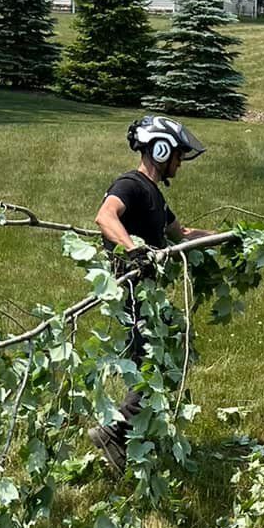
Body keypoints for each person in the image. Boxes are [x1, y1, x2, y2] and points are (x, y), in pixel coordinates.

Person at [91, 114, 207, 473]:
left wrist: (232, 239)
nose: (179, 164)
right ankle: (115, 432)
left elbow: (181, 233)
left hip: (150, 294)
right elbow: (105, 217)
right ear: (161, 150)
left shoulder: (154, 195)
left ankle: (129, 432)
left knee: (166, 355)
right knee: (153, 365)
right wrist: (132, 250)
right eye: (177, 156)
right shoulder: (131, 185)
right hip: (135, 290)